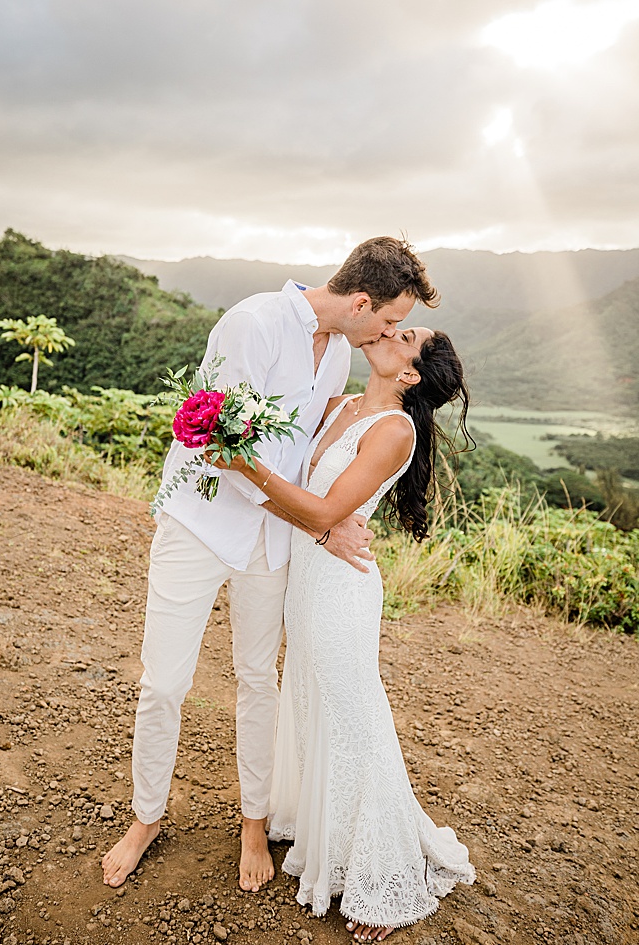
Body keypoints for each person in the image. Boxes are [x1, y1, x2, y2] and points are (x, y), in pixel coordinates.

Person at [101, 237, 438, 893]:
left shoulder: (341, 353)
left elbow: (304, 456)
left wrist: (328, 515)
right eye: (390, 321)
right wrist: (321, 520)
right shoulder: (252, 324)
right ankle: (146, 816)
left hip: (269, 543)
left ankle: (254, 820)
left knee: (258, 678)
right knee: (164, 681)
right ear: (362, 302)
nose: (390, 332)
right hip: (197, 523)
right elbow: (225, 449)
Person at [209, 326, 476, 940]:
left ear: (409, 373)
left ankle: (383, 875)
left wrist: (241, 467)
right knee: (309, 698)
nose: (387, 330)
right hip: (307, 578)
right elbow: (304, 494)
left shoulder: (393, 431)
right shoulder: (340, 405)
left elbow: (326, 513)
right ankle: (320, 824)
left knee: (352, 716)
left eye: (404, 334)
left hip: (341, 588)